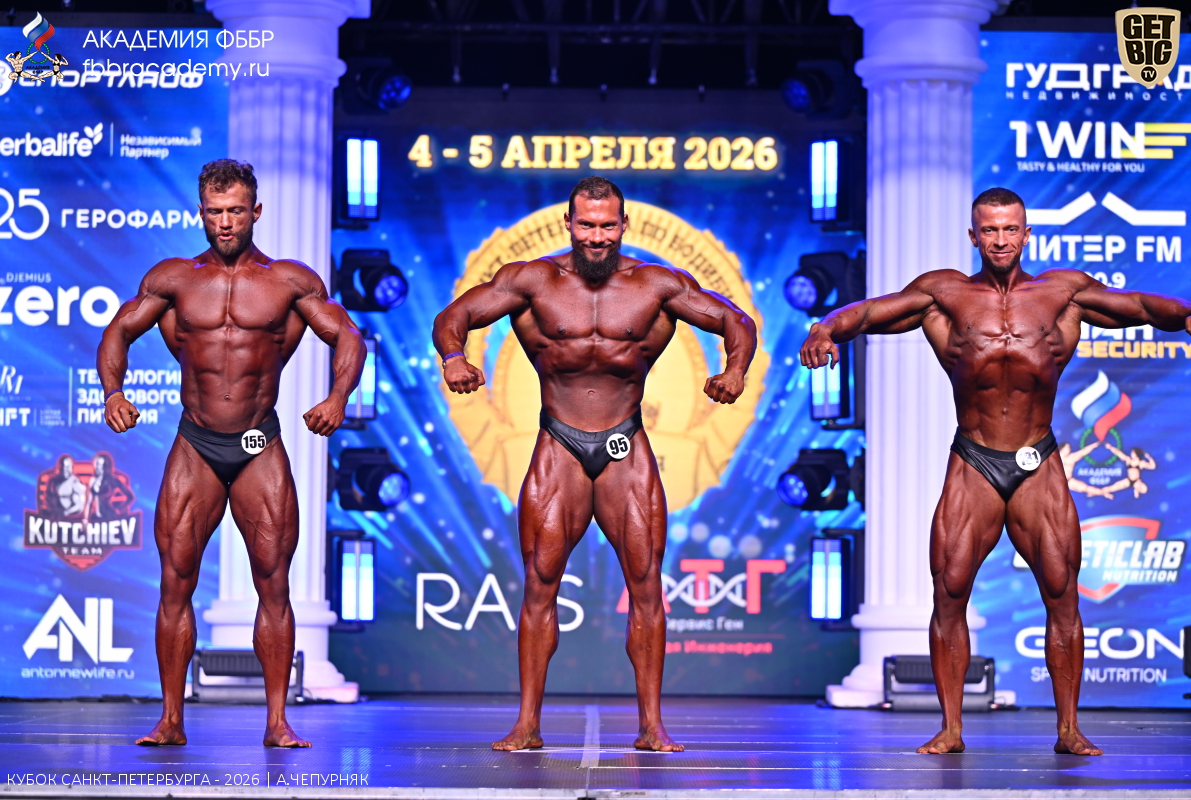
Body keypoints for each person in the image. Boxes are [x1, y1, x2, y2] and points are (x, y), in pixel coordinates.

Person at [799, 187, 1191, 756]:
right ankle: (951, 728)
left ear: (1026, 234)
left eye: (1010, 229)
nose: (1001, 240)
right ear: (973, 236)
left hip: (1038, 460)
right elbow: (866, 312)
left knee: (1062, 593)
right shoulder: (944, 294)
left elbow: (1140, 306)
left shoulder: (1063, 293)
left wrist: (1186, 315)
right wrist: (825, 328)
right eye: (990, 230)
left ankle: (1068, 730)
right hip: (974, 459)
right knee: (949, 590)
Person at [433, 176, 757, 752]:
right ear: (569, 223)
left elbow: (737, 321)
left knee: (646, 584)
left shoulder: (656, 284)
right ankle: (527, 725)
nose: (597, 237)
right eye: (587, 225)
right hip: (558, 441)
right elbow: (453, 317)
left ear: (625, 225)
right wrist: (454, 357)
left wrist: (734, 370)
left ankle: (652, 727)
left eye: (608, 226)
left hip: (625, 443)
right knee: (540, 583)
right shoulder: (532, 281)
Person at [96, 159, 366, 748]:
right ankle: (170, 719)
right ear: (201, 212)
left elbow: (347, 335)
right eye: (216, 212)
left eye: (236, 211)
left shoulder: (289, 281)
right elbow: (118, 331)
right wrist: (113, 392)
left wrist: (337, 398)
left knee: (274, 581)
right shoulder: (173, 279)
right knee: (175, 581)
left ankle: (277, 721)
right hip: (195, 443)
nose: (225, 222)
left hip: (257, 443)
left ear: (256, 212)